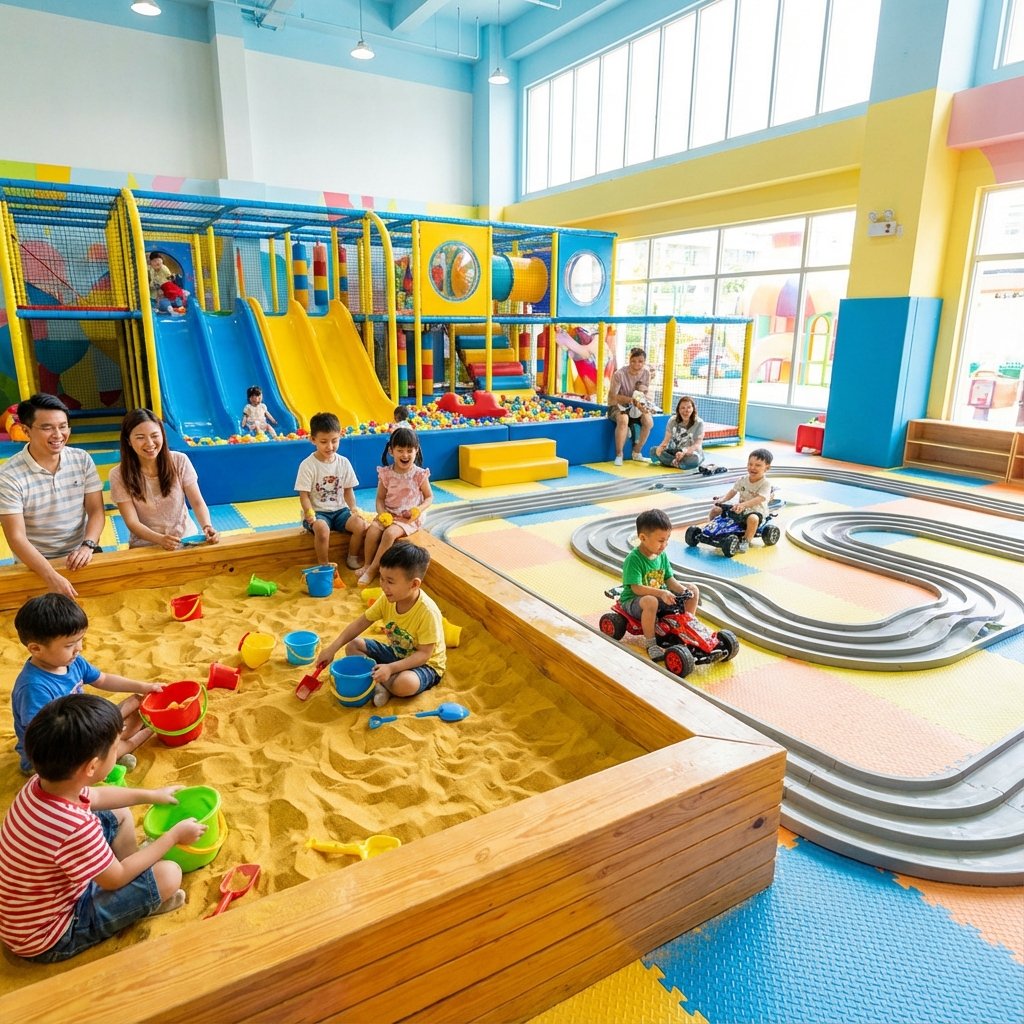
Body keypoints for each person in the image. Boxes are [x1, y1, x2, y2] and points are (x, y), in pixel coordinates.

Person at [0, 694, 205, 963]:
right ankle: (143, 901)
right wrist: (173, 836)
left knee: (116, 813)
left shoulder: (41, 785)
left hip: (28, 910)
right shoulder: (74, 826)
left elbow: (95, 798)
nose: (118, 748)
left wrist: (152, 795)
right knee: (168, 874)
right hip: (52, 935)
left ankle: (137, 868)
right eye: (114, 746)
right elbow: (115, 879)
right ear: (93, 766)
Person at [11, 592, 162, 774]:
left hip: (85, 726)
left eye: (80, 640)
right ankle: (127, 744)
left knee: (138, 700)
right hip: (55, 752)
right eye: (69, 645)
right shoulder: (34, 687)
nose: (79, 648)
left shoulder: (73, 662)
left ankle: (118, 742)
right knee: (115, 741)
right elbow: (44, 738)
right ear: (36, 648)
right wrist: (100, 735)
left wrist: (144, 687)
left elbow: (103, 679)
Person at [0, 393, 105, 599]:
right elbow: (16, 537)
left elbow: (96, 511)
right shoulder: (8, 476)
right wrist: (50, 575)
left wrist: (88, 546)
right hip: (35, 563)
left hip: (82, 554)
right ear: (26, 431)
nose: (58, 434)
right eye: (47, 427)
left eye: (63, 426)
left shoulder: (82, 459)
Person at [321, 542, 445, 709]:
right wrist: (332, 648)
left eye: (390, 581)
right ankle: (381, 685)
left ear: (414, 584)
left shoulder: (427, 612)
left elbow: (424, 654)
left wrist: (391, 668)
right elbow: (361, 622)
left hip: (425, 665)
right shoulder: (387, 598)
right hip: (396, 653)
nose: (383, 586)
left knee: (405, 684)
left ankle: (383, 683)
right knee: (354, 646)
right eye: (381, 578)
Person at [108, 409, 219, 550]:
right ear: (128, 441)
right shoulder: (118, 474)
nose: (150, 443)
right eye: (140, 437)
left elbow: (197, 502)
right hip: (145, 546)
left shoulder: (180, 461)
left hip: (185, 539)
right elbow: (132, 522)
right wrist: (160, 539)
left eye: (155, 435)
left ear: (163, 435)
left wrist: (207, 526)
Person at [620, 509, 700, 662]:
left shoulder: (661, 555)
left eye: (667, 539)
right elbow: (636, 588)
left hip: (658, 597)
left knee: (693, 589)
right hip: (634, 601)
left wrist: (684, 590)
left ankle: (689, 627)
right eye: (661, 540)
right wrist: (661, 593)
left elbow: (669, 579)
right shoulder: (634, 559)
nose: (665, 545)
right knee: (651, 600)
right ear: (643, 538)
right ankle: (651, 643)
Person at [357, 426, 432, 587]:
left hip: (409, 517)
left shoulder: (419, 474)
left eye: (409, 450)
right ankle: (367, 564)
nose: (405, 455)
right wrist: (382, 514)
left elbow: (429, 497)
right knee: (372, 530)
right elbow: (380, 499)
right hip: (389, 513)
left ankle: (373, 570)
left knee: (389, 534)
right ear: (391, 451)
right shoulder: (386, 473)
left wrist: (418, 510)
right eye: (400, 450)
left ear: (416, 451)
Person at [295, 411, 367, 573]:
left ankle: (352, 556)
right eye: (323, 442)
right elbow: (304, 494)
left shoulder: (343, 462)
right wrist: (309, 513)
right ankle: (324, 565)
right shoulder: (308, 465)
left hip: (340, 511)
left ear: (340, 436)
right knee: (322, 529)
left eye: (334, 441)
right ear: (313, 440)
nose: (330, 446)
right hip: (319, 512)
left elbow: (348, 490)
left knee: (360, 525)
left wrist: (354, 509)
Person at [708, 448, 774, 553]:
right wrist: (723, 500)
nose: (752, 468)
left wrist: (744, 505)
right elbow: (733, 491)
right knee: (716, 510)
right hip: (740, 508)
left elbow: (760, 498)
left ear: (767, 468)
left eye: (758, 465)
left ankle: (746, 541)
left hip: (757, 511)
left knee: (753, 519)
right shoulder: (743, 479)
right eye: (750, 464)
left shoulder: (765, 483)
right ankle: (711, 530)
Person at [607, 347, 654, 466]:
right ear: (629, 360)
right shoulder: (619, 374)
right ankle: (619, 454)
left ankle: (636, 452)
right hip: (618, 405)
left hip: (637, 406)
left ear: (644, 362)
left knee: (648, 422)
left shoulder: (646, 373)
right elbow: (613, 397)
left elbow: (644, 392)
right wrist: (632, 400)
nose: (637, 364)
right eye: (633, 361)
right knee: (623, 419)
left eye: (640, 361)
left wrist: (643, 404)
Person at [652, 395, 705, 469]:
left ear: (693, 409)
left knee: (694, 459)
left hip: (690, 452)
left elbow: (697, 445)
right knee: (654, 451)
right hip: (674, 451)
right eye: (683, 408)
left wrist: (683, 453)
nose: (686, 410)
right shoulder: (672, 420)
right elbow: (666, 440)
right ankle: (677, 463)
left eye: (689, 407)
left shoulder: (699, 423)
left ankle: (670, 462)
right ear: (678, 410)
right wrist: (660, 447)